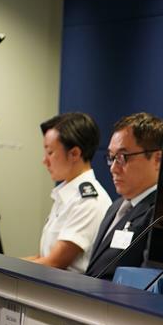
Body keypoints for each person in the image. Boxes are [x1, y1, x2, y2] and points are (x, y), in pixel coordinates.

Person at [85, 112, 163, 280]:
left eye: (122, 157)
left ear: (157, 159)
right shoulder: (116, 206)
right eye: (111, 157)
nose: (113, 168)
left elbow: (146, 283)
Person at [26, 112, 111, 273]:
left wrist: (3, 267)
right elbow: (43, 256)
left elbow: (55, 262)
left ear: (75, 154)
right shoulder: (67, 195)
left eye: (50, 152)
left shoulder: (88, 201)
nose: (45, 160)